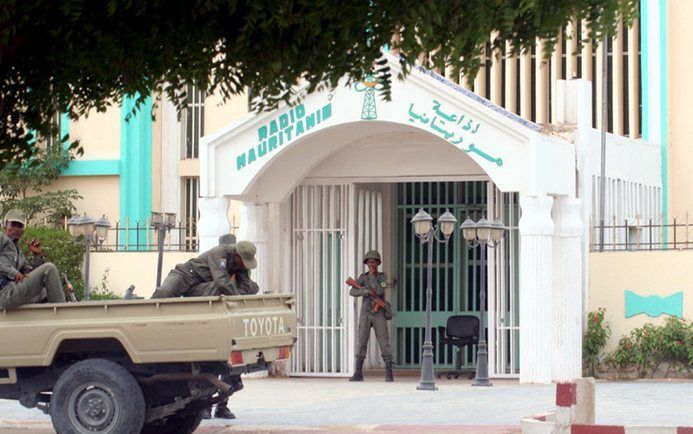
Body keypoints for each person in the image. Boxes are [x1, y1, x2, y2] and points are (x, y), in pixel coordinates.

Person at [0, 209, 65, 309]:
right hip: (4, 292)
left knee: (45, 290)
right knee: (49, 268)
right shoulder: (2, 238)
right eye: (13, 225)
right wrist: (13, 272)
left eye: (19, 226)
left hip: (13, 291)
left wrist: (37, 255)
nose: (16, 229)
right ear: (5, 226)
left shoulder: (19, 254)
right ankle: (64, 314)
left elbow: (32, 276)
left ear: (23, 230)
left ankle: (51, 318)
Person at [151, 239, 259, 298]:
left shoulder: (241, 265)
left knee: (250, 287)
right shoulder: (220, 253)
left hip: (200, 286)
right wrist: (238, 299)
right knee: (165, 293)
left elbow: (245, 284)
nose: (244, 265)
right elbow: (221, 280)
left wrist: (245, 294)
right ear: (237, 255)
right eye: (243, 261)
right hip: (185, 275)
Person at [346, 250, 394, 382]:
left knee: (384, 342)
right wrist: (365, 291)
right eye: (369, 262)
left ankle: (389, 372)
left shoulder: (383, 277)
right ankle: (358, 372)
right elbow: (352, 291)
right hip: (366, 313)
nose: (371, 264)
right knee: (362, 340)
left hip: (378, 314)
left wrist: (372, 278)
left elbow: (379, 290)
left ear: (378, 263)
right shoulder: (362, 277)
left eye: (373, 262)